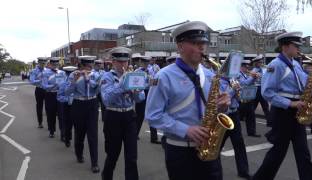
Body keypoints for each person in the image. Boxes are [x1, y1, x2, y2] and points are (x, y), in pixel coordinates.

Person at [145, 21, 230, 180]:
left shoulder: (211, 75)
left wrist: (223, 106)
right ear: (180, 46)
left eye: (203, 43)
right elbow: (152, 115)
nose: (201, 47)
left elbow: (212, 108)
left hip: (209, 149)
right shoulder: (163, 76)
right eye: (195, 43)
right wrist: (185, 130)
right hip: (180, 151)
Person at [252, 31, 312, 180]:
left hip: (298, 110)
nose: (298, 49)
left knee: (303, 152)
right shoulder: (275, 65)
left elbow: (303, 84)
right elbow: (267, 92)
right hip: (283, 112)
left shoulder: (296, 64)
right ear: (285, 46)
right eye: (296, 46)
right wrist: (291, 103)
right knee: (277, 153)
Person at [100, 47, 145, 180]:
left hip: (129, 116)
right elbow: (107, 99)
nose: (123, 65)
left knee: (132, 157)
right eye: (119, 62)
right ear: (113, 62)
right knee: (113, 154)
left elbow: (140, 98)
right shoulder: (107, 77)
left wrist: (136, 91)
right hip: (113, 116)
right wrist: (122, 84)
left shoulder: (133, 75)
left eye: (125, 62)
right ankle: (106, 176)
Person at [65, 56, 100, 173]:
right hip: (78, 104)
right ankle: (79, 154)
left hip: (92, 103)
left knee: (93, 134)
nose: (88, 67)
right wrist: (75, 81)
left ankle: (94, 163)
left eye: (90, 65)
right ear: (81, 65)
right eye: (86, 65)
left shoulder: (96, 75)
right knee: (79, 133)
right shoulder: (73, 75)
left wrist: (87, 78)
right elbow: (67, 92)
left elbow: (98, 89)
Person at [42, 57, 66, 138]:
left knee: (62, 115)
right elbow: (44, 86)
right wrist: (54, 85)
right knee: (50, 114)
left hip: (60, 94)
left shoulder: (62, 73)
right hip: (50, 95)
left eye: (57, 64)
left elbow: (66, 83)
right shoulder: (45, 73)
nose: (55, 66)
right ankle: (51, 131)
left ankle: (63, 133)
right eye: (53, 64)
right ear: (50, 64)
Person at [237, 59, 261, 137]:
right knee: (237, 118)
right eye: (244, 67)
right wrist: (252, 77)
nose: (246, 68)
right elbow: (244, 83)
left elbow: (251, 83)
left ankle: (252, 132)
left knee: (251, 116)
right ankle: (235, 133)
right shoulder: (238, 75)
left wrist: (255, 78)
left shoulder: (247, 74)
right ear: (240, 67)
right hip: (241, 99)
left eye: (247, 67)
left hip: (248, 97)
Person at [57, 65, 77, 147]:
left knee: (77, 124)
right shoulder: (62, 83)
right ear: (66, 74)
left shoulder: (78, 81)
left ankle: (76, 141)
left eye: (71, 73)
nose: (70, 75)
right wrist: (67, 100)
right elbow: (59, 96)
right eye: (69, 73)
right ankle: (67, 138)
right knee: (67, 123)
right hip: (67, 105)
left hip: (76, 104)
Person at [251, 55, 271, 126]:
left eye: (261, 62)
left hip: (262, 89)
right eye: (260, 62)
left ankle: (269, 122)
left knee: (265, 107)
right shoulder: (254, 70)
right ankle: (249, 119)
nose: (261, 63)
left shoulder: (263, 69)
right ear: (256, 63)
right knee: (254, 107)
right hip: (256, 90)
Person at [29, 57, 48, 128]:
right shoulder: (34, 71)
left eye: (44, 63)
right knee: (39, 107)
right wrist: (40, 80)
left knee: (48, 107)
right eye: (42, 63)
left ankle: (50, 124)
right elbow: (32, 81)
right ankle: (40, 122)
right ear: (39, 63)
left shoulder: (47, 70)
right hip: (39, 90)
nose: (43, 64)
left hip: (47, 89)